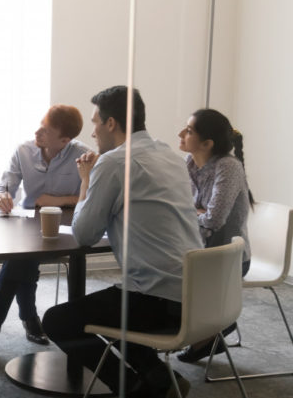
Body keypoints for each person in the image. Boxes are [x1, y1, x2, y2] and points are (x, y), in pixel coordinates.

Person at [42, 86, 203, 398]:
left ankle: (138, 390)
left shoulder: (115, 162)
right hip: (198, 295)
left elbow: (84, 233)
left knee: (57, 320)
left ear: (111, 123)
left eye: (95, 123)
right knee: (110, 307)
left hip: (158, 301)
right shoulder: (170, 156)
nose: (92, 131)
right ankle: (159, 377)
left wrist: (86, 180)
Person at [0, 104, 90, 368]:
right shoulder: (23, 149)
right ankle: (29, 318)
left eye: (45, 130)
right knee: (22, 260)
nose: (37, 131)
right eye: (40, 124)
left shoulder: (83, 156)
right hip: (26, 227)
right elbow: (5, 185)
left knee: (20, 261)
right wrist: (1, 195)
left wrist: (57, 200)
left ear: (65, 140)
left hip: (64, 232)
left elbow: (88, 197)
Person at [176, 108, 253, 363]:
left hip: (228, 259)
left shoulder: (228, 167)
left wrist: (193, 214)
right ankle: (209, 331)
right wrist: (195, 212)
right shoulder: (190, 164)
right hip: (200, 250)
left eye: (188, 131)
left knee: (168, 281)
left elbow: (214, 219)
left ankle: (217, 326)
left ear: (207, 143)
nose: (181, 134)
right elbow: (186, 208)